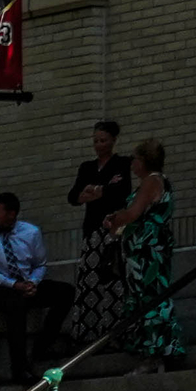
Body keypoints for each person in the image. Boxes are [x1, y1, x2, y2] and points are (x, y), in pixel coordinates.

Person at [0, 193, 75, 383]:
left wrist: (33, 283)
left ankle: (42, 348)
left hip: (25, 283)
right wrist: (15, 285)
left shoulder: (31, 233)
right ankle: (19, 368)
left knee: (66, 292)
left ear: (11, 214)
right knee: (16, 304)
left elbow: (40, 264)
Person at [106, 139, 185, 369]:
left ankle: (154, 353)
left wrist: (114, 218)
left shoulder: (151, 181)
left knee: (148, 296)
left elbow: (133, 214)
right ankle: (157, 351)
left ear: (143, 160)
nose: (132, 163)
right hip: (150, 245)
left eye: (135, 158)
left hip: (146, 249)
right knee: (150, 295)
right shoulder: (162, 182)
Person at [65, 120, 133, 343]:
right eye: (95, 141)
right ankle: (88, 332)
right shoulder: (87, 167)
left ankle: (116, 331)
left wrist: (99, 191)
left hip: (114, 229)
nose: (99, 145)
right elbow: (74, 195)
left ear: (113, 141)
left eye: (103, 140)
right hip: (93, 229)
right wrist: (92, 192)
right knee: (91, 279)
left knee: (113, 278)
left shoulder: (122, 163)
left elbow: (121, 190)